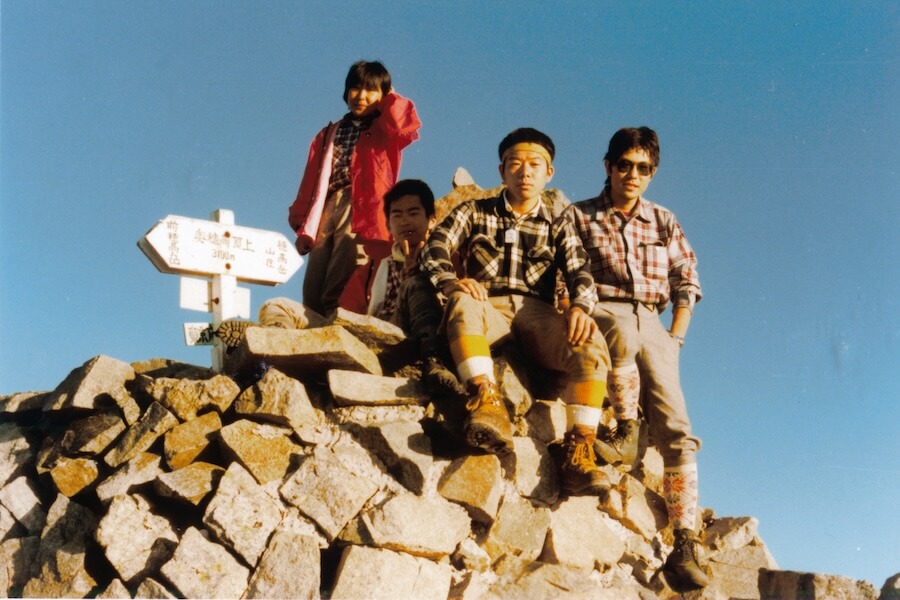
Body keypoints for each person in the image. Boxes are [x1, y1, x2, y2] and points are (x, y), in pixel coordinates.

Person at [420, 127, 612, 497]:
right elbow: (437, 245)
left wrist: (580, 307)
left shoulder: (559, 223)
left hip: (537, 313)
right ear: (502, 171)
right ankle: (486, 403)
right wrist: (449, 282)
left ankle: (578, 452)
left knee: (590, 343)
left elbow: (580, 271)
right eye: (515, 164)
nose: (525, 172)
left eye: (535, 164)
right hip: (486, 305)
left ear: (548, 173)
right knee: (462, 302)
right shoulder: (474, 211)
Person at [568, 126, 709, 590]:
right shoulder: (580, 215)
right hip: (602, 306)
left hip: (654, 321)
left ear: (653, 173)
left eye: (643, 168)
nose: (633, 175)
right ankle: (626, 428)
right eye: (625, 165)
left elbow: (686, 278)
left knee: (677, 427)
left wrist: (676, 338)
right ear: (608, 166)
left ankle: (684, 542)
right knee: (620, 329)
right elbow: (568, 272)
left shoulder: (663, 219)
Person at [287, 60, 421, 316]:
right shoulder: (329, 132)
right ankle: (313, 320)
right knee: (316, 273)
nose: (361, 96)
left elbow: (403, 122)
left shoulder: (383, 128)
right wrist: (301, 218)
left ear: (383, 95)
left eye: (371, 90)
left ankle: (337, 319)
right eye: (356, 88)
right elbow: (311, 179)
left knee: (346, 264)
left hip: (362, 204)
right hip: (327, 205)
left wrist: (390, 98)